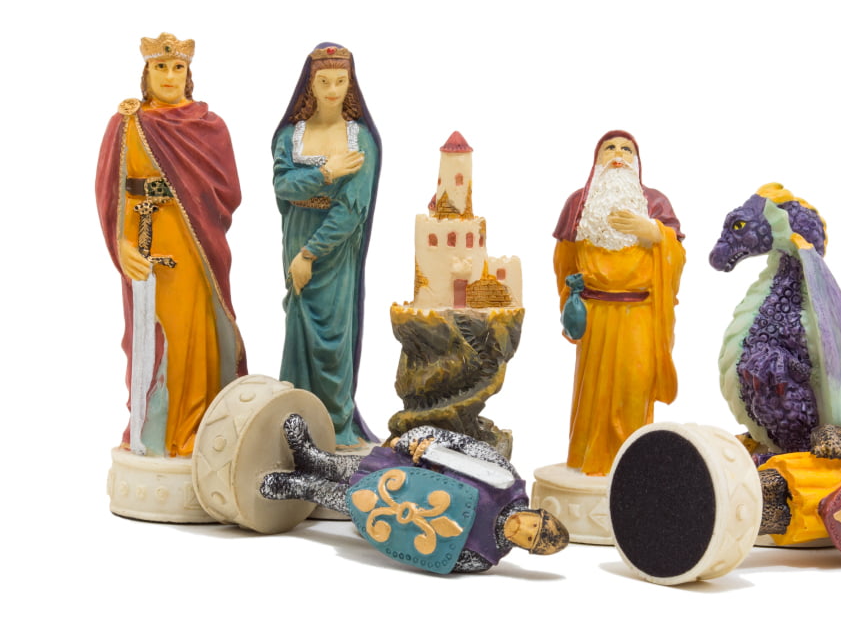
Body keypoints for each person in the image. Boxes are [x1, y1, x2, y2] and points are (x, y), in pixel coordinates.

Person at [96, 33, 246, 458]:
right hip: (143, 244)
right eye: (159, 67)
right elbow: (109, 192)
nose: (168, 75)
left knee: (192, 332)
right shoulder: (127, 123)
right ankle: (153, 431)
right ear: (146, 72)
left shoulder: (209, 127)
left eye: (177, 67)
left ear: (188, 74)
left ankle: (195, 425)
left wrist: (194, 205)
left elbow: (228, 191)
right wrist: (121, 244)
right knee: (150, 336)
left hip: (192, 244)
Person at [260, 415, 569, 574]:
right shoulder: (505, 481)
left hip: (399, 517)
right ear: (536, 513)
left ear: (526, 548)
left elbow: (436, 556)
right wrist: (429, 444)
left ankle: (297, 486)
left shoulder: (483, 556)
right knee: (345, 467)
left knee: (343, 499)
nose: (524, 530)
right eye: (533, 524)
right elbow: (468, 447)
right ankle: (310, 456)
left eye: (530, 538)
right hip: (408, 475)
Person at [552, 130, 686, 475]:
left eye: (626, 149)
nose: (618, 154)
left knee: (635, 383)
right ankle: (589, 457)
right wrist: (570, 301)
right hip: (596, 313)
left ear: (636, 161)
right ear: (597, 159)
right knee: (594, 392)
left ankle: (631, 464)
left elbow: (677, 255)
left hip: (638, 314)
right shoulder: (578, 204)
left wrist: (656, 234)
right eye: (609, 147)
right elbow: (564, 261)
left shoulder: (655, 203)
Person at [272, 44, 381, 446]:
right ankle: (296, 425)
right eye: (324, 81)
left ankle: (335, 427)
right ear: (310, 85)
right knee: (298, 329)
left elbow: (351, 210)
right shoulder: (290, 136)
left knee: (332, 337)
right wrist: (326, 174)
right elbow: (283, 186)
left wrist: (310, 254)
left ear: (350, 83)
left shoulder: (360, 139)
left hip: (333, 250)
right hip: (296, 234)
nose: (333, 90)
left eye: (340, 81)